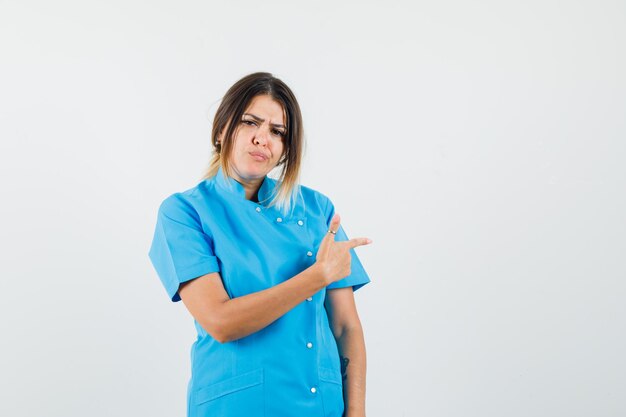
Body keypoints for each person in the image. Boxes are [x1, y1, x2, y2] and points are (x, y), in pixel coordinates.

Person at [148, 72, 373, 417]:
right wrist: (317, 276)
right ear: (222, 130)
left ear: (285, 150)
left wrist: (356, 413)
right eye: (250, 122)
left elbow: (345, 325)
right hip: (237, 406)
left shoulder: (317, 209)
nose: (262, 138)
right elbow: (221, 321)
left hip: (321, 406)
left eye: (277, 132)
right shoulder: (185, 212)